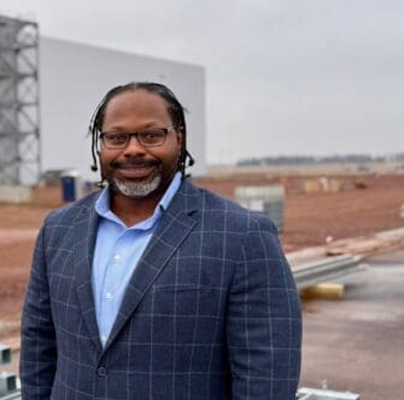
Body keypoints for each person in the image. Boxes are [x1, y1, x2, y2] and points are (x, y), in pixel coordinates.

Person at [20, 82, 301, 399]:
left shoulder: (242, 236)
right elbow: (38, 344)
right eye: (117, 137)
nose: (133, 149)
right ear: (100, 145)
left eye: (151, 135)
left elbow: (267, 376)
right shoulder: (58, 229)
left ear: (178, 139)